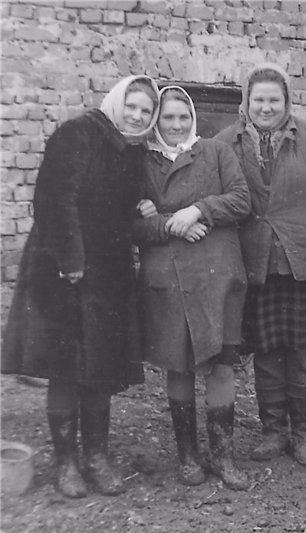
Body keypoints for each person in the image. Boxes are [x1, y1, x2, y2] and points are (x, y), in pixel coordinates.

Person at [1, 75, 159, 498]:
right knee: (66, 368)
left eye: (145, 111)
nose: (137, 116)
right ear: (116, 102)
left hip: (108, 274)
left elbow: (121, 209)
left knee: (100, 368)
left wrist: (142, 206)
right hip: (63, 269)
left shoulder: (133, 151)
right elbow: (54, 200)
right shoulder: (79, 133)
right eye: (132, 106)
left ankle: (96, 458)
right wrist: (71, 261)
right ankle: (66, 463)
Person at [215, 64, 306, 467]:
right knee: (266, 351)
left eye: (274, 100)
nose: (266, 107)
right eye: (258, 99)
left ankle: (305, 432)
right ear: (246, 102)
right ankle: (273, 431)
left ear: (287, 102)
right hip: (255, 261)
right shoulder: (225, 142)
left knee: (303, 351)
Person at [134, 86, 251, 490]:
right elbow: (130, 224)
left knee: (221, 362)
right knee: (178, 362)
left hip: (217, 273)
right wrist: (170, 224)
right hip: (169, 276)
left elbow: (241, 200)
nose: (177, 125)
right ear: (156, 121)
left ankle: (223, 455)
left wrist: (198, 209)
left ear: (193, 118)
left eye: (183, 117)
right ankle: (187, 456)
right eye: (168, 117)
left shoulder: (216, 152)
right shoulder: (141, 161)